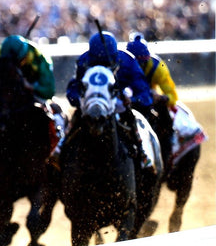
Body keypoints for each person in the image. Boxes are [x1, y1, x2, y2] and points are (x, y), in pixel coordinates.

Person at [56, 30, 155, 168]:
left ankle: (142, 152)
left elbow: (145, 95)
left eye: (105, 64)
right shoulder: (84, 61)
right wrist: (82, 99)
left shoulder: (128, 61)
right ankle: (60, 150)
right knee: (77, 116)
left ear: (115, 60)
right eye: (97, 63)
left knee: (131, 117)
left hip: (118, 106)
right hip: (89, 107)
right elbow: (72, 91)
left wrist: (131, 100)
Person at [0, 34, 65, 147]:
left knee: (52, 113)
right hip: (7, 97)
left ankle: (57, 143)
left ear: (24, 56)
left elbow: (49, 91)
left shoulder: (39, 57)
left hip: (33, 95)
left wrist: (30, 86)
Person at [126, 33, 177, 161]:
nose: (138, 69)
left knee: (163, 114)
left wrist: (161, 98)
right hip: (129, 101)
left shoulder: (158, 67)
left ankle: (168, 148)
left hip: (151, 103)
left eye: (141, 64)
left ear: (147, 59)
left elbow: (173, 97)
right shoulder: (122, 65)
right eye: (135, 65)